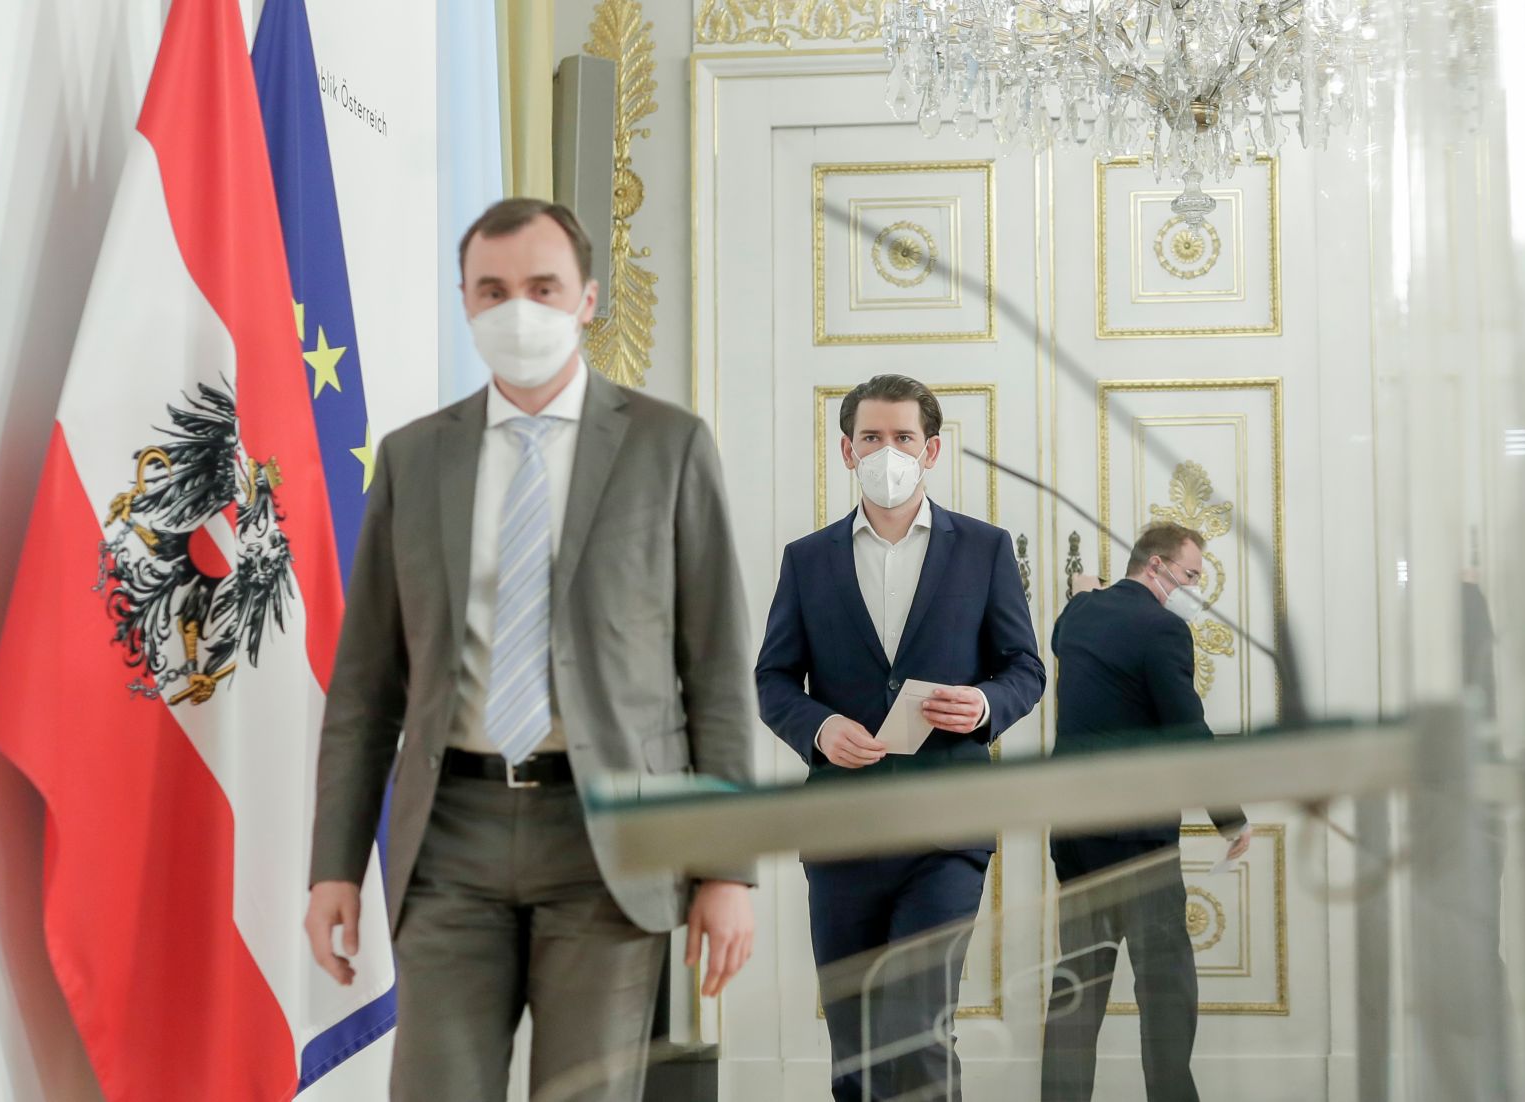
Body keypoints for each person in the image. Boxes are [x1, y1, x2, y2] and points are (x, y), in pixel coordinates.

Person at [303, 198, 758, 1101]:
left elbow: (713, 670)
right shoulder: (413, 458)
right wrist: (332, 868)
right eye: (494, 289)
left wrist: (726, 867)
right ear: (465, 302)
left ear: (588, 297)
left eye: (544, 286)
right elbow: (364, 689)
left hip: (611, 841)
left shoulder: (668, 447)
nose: (521, 309)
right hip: (449, 839)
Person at [755, 374, 1045, 1101]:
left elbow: (1025, 668)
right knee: (854, 1049)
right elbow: (774, 679)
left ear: (933, 449)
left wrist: (982, 704)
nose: (889, 451)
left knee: (917, 1028)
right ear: (848, 451)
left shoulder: (983, 549)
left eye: (904, 438)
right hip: (843, 831)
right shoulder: (807, 558)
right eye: (873, 438)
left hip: (945, 832)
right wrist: (819, 727)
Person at [1041, 522, 1251, 1102]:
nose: (1195, 589)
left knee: (1077, 988)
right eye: (1190, 575)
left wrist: (1084, 591)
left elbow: (1062, 636)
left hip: (1076, 835)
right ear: (1155, 566)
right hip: (1138, 844)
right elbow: (1189, 733)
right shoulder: (1163, 629)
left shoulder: (1078, 618)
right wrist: (1230, 817)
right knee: (1166, 992)